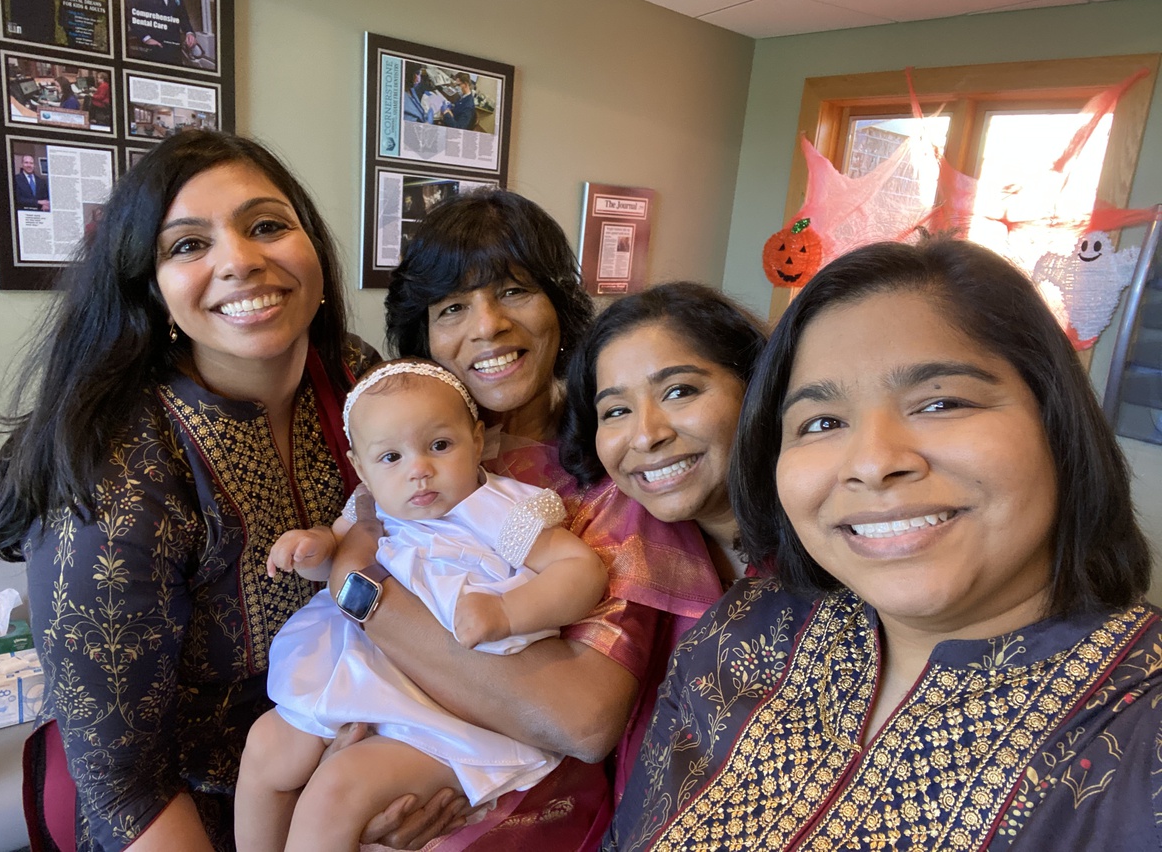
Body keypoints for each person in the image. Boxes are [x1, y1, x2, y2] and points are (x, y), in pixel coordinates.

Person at [0, 131, 466, 851]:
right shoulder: (121, 470)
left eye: (267, 225)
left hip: (364, 752)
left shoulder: (360, 379)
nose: (240, 260)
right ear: (153, 289)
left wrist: (392, 782)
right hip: (199, 815)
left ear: (313, 251)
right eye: (187, 246)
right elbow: (123, 787)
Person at [605, 237, 1159, 850]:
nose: (871, 463)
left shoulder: (1139, 732)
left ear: (1056, 423)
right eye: (822, 423)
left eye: (941, 403)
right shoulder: (742, 629)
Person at [331, 188, 723, 850]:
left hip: (535, 823)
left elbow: (581, 717)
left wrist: (362, 595)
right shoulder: (404, 467)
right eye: (453, 307)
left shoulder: (612, 481)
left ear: (559, 310)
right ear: (422, 336)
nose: (487, 326)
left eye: (513, 291)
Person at [236, 359, 608, 852]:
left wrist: (508, 613)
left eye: (439, 445)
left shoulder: (495, 509)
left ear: (476, 440)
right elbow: (335, 565)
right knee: (265, 745)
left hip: (453, 708)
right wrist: (312, 550)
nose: (418, 470)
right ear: (360, 467)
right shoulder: (370, 507)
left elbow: (581, 569)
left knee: (336, 789)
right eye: (390, 457)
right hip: (365, 676)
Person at [560, 282, 768, 585]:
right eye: (616, 411)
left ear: (754, 387)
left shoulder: (836, 548)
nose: (646, 436)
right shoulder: (612, 555)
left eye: (678, 392)